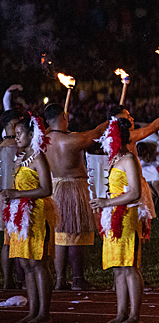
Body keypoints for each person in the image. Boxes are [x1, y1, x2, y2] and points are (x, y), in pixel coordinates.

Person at [43, 103, 107, 291]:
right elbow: (94, 134)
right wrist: (111, 121)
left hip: (55, 188)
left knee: (60, 236)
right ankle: (78, 279)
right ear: (63, 117)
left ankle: (60, 279)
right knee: (76, 233)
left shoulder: (44, 140)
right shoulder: (71, 140)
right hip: (73, 187)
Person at [91, 117, 147, 323]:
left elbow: (135, 192)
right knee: (118, 268)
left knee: (130, 266)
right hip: (112, 216)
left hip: (127, 217)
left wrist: (108, 201)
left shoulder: (129, 160)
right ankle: (120, 313)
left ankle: (134, 315)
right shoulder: (114, 159)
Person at [2, 114, 55, 323]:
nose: (16, 138)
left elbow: (47, 189)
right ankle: (33, 311)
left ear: (32, 134)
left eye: (20, 133)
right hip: (20, 216)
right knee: (25, 263)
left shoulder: (39, 157)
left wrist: (17, 195)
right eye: (15, 134)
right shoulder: (21, 158)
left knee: (38, 262)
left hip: (36, 216)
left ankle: (44, 312)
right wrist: (10, 195)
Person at [0, 109, 24, 289]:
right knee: (11, 240)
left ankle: (9, 280)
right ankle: (15, 280)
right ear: (10, 125)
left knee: (7, 240)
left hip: (5, 195)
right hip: (12, 197)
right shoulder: (14, 146)